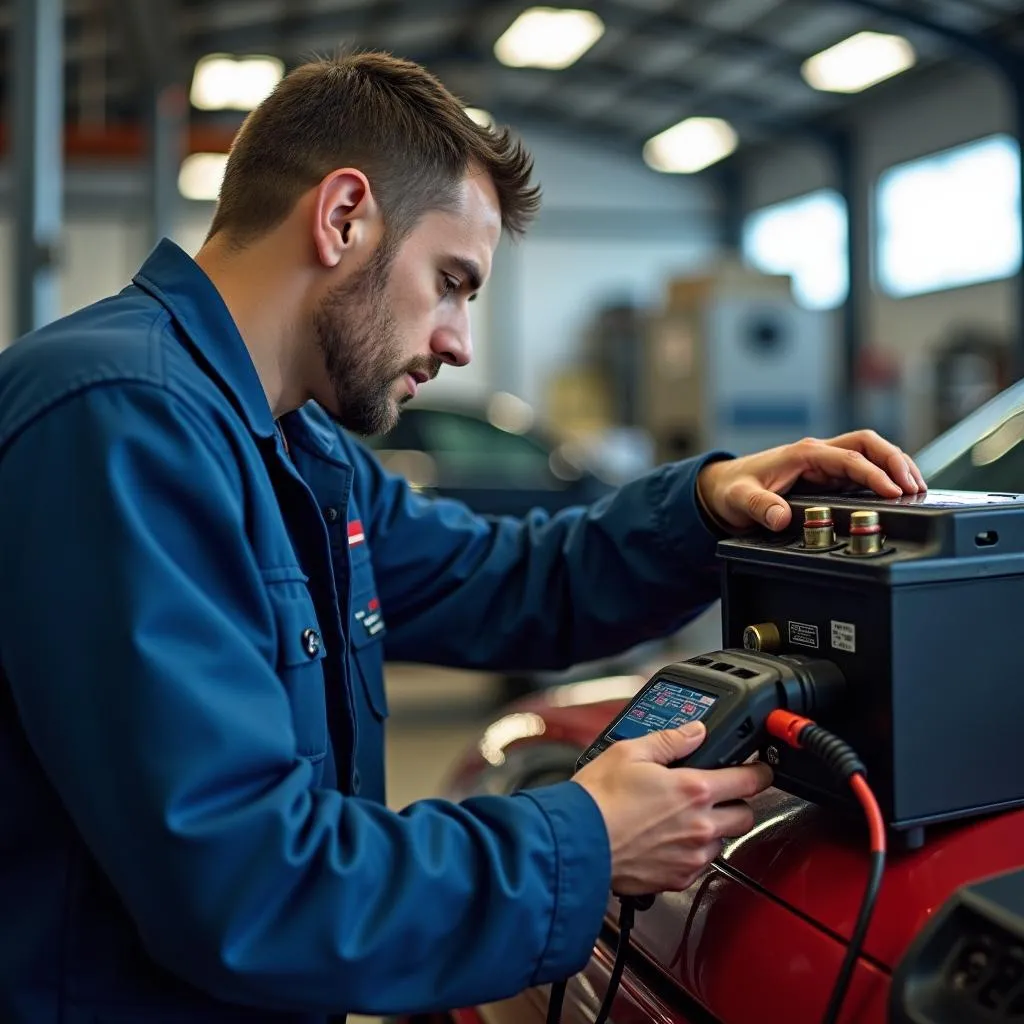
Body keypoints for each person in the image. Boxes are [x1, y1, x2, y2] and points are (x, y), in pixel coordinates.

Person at [0, 53, 925, 1024]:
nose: (458, 342)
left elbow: (501, 580)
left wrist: (701, 506)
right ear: (343, 217)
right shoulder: (121, 421)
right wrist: (584, 840)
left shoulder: (293, 443)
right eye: (451, 282)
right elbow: (243, 881)